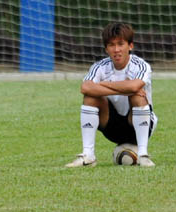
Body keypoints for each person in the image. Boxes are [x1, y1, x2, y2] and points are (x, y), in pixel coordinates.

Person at [65, 21, 157, 167]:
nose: (116, 49)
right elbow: (85, 87)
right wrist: (124, 88)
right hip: (111, 126)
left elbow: (134, 87)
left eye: (121, 44)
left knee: (137, 95)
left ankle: (143, 155)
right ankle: (88, 156)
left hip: (138, 124)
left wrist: (103, 84)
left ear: (130, 46)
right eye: (111, 45)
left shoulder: (141, 65)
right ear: (106, 49)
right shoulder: (99, 67)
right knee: (90, 97)